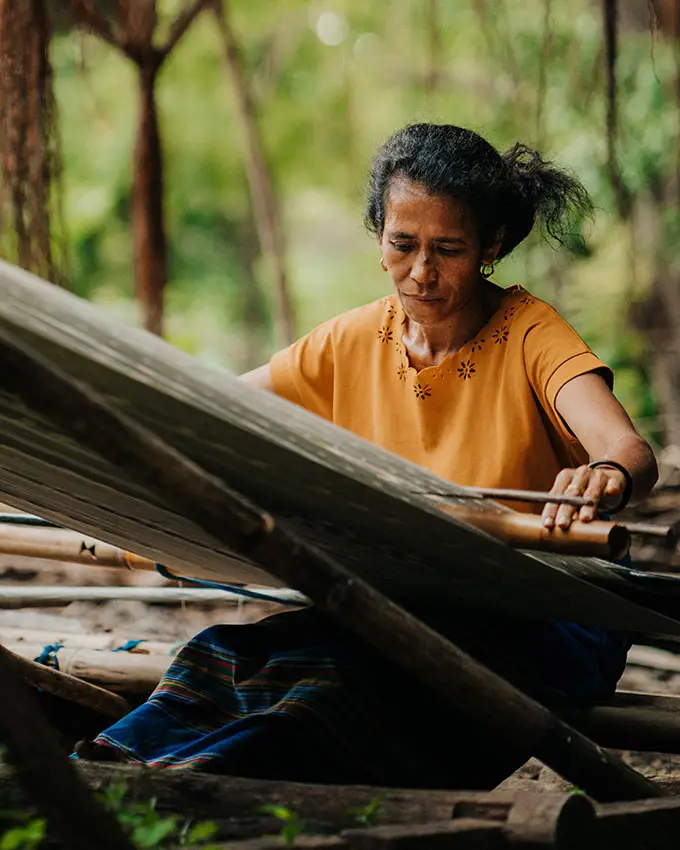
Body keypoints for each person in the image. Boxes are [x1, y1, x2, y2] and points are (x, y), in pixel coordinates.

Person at [76, 123, 658, 789]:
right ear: (378, 236)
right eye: (403, 244)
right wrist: (92, 422)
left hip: (547, 615)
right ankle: (101, 778)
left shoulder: (529, 333)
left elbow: (628, 450)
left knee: (341, 686)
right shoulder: (348, 343)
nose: (422, 272)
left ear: (491, 246)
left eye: (449, 249)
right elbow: (214, 413)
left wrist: (604, 473)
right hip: (409, 606)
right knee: (222, 657)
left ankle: (179, 792)